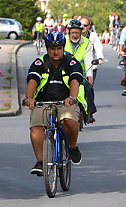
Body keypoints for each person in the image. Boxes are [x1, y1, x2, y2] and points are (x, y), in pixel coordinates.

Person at [25, 31, 87, 174]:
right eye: (52, 48)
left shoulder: (71, 62)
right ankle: (41, 162)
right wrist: (29, 98)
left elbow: (75, 81)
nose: (55, 51)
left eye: (59, 48)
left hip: (66, 102)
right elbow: (32, 80)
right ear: (47, 49)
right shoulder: (40, 62)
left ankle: (72, 147)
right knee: (36, 125)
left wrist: (71, 97)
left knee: (68, 121)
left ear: (63, 48)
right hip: (43, 102)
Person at [80, 16, 104, 123]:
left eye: (85, 25)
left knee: (89, 88)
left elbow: (98, 47)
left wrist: (99, 58)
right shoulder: (75, 36)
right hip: (76, 67)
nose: (83, 28)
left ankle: (90, 111)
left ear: (89, 26)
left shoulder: (93, 36)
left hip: (90, 66)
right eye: (81, 25)